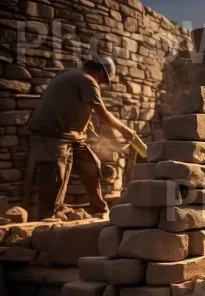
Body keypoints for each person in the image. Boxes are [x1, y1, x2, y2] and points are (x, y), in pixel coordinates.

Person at [28, 55, 136, 219]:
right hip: (54, 135)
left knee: (90, 165)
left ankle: (99, 209)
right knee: (55, 177)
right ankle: (47, 222)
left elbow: (68, 102)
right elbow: (103, 115)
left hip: (71, 135)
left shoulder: (69, 74)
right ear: (100, 72)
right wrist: (126, 131)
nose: (101, 83)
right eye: (103, 80)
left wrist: (83, 122)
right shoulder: (87, 80)